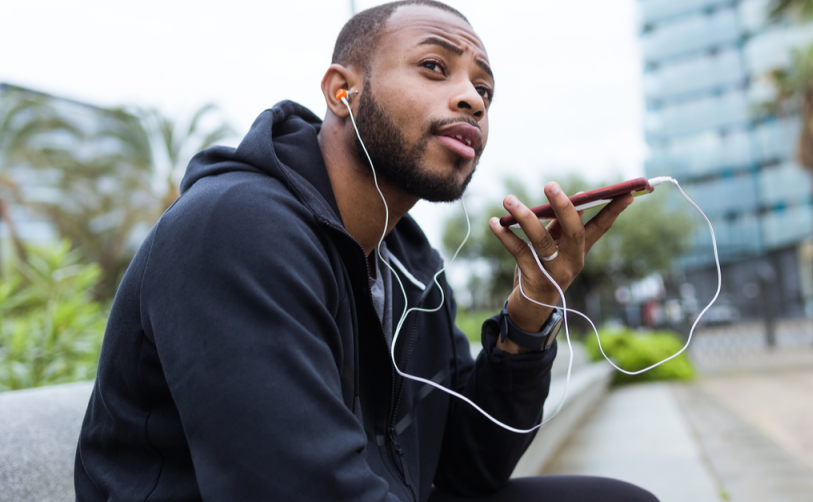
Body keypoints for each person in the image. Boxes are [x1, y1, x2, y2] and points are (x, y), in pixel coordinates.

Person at [74, 1, 658, 501]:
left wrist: (530, 309)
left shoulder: (410, 260)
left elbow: (463, 468)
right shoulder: (234, 228)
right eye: (435, 67)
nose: (472, 101)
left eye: (484, 90)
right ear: (341, 91)